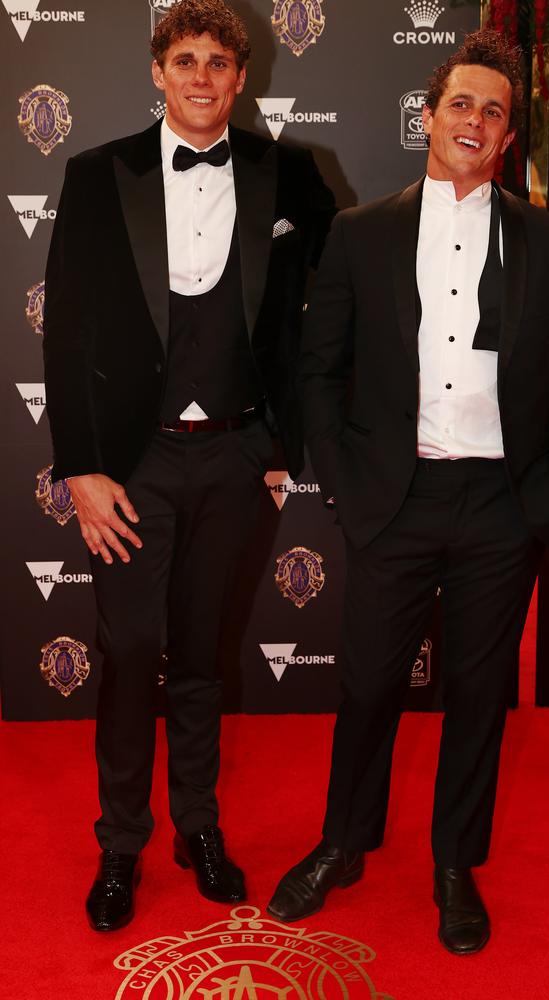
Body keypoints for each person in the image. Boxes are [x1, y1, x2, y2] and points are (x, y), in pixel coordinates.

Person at [268, 29, 549, 955]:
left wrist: (545, 498)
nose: (476, 120)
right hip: (393, 500)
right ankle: (343, 843)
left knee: (477, 693)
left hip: (503, 508)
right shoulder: (361, 231)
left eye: (494, 111)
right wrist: (342, 479)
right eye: (461, 102)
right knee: (369, 685)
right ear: (429, 117)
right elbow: (319, 372)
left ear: (507, 138)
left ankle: (455, 865)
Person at [43, 0, 335, 932]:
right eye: (186, 59)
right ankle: (121, 841)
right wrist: (80, 468)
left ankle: (197, 827)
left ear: (241, 79)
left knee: (204, 658)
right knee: (132, 654)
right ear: (158, 73)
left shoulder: (290, 172)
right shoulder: (97, 175)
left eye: (219, 61)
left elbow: (337, 303)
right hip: (132, 468)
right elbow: (68, 329)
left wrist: (289, 443)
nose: (203, 76)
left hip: (237, 460)